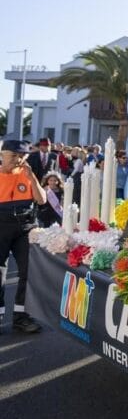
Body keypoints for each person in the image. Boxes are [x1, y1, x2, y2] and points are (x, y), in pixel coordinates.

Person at [0, 139, 46, 333]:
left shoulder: (27, 174)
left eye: (21, 156)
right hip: (1, 226)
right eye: (13, 156)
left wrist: (32, 178)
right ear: (2, 155)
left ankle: (21, 316)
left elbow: (41, 199)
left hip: (24, 227)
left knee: (28, 272)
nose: (17, 160)